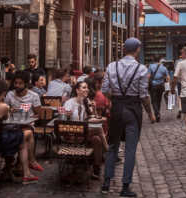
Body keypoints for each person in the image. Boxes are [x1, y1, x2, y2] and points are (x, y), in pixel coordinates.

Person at [101, 38, 156, 197]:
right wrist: (151, 113)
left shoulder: (112, 66)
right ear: (137, 49)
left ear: (124, 49)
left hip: (117, 108)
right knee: (130, 149)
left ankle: (106, 182)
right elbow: (144, 95)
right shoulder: (141, 69)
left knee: (112, 146)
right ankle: (125, 187)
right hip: (133, 109)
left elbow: (105, 90)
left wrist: (115, 99)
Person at [63, 81, 107, 179]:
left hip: (84, 134)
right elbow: (62, 119)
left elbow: (93, 118)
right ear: (77, 90)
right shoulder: (69, 103)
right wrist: (66, 115)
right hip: (71, 135)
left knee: (97, 139)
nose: (86, 89)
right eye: (83, 87)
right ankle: (108, 151)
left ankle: (96, 169)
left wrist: (94, 108)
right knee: (99, 130)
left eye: (87, 87)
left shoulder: (86, 102)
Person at [4, 71, 43, 172]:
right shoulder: (10, 94)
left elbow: (38, 114)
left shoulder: (33, 96)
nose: (17, 85)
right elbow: (5, 110)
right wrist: (10, 110)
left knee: (26, 132)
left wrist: (28, 118)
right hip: (11, 125)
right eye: (15, 83)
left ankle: (21, 163)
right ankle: (29, 161)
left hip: (27, 124)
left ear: (26, 84)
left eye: (20, 83)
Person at [147, 57, 169, 122]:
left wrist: (147, 84)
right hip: (161, 86)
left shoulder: (150, 66)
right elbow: (168, 78)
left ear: (153, 60)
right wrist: (167, 86)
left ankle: (157, 113)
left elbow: (148, 76)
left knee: (154, 101)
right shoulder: (164, 67)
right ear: (159, 60)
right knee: (159, 100)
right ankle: (158, 113)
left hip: (153, 86)